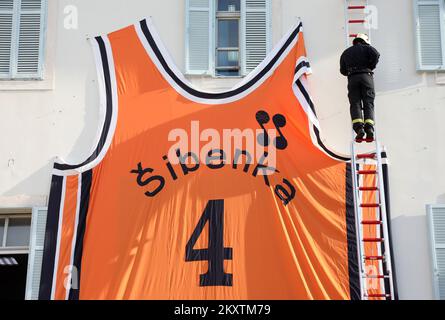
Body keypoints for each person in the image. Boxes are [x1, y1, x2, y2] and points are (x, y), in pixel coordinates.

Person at [340, 33, 380, 141]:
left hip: (352, 78)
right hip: (366, 77)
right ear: (365, 41)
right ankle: (369, 129)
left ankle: (359, 129)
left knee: (355, 103)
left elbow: (342, 71)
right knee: (368, 103)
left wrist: (351, 71)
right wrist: (371, 66)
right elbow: (376, 54)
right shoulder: (368, 48)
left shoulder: (346, 52)